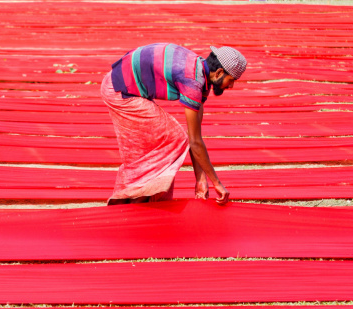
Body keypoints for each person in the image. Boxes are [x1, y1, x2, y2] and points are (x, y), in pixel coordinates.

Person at [100, 44, 246, 205]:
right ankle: (129, 201)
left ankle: (149, 203)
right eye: (231, 80)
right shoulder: (193, 81)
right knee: (174, 138)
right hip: (119, 90)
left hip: (126, 87)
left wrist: (201, 179)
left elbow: (196, 137)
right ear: (219, 72)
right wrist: (217, 183)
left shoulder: (201, 74)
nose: (231, 86)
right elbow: (194, 142)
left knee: (157, 148)